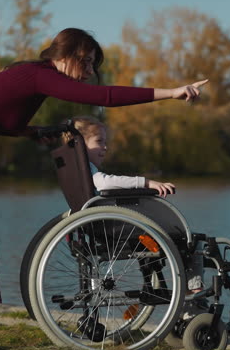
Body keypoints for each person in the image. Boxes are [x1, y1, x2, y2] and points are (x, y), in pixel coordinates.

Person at [0, 27, 207, 349]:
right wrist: (171, 92)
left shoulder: (30, 76)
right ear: (69, 55)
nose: (88, 74)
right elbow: (106, 98)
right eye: (86, 64)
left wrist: (33, 132)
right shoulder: (38, 76)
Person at [61, 115, 204, 295]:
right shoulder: (87, 169)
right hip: (115, 229)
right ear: (81, 144)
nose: (105, 147)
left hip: (102, 227)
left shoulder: (74, 168)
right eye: (99, 141)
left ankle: (166, 284)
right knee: (188, 239)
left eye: (105, 142)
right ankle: (193, 287)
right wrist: (146, 183)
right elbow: (104, 183)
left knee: (163, 234)